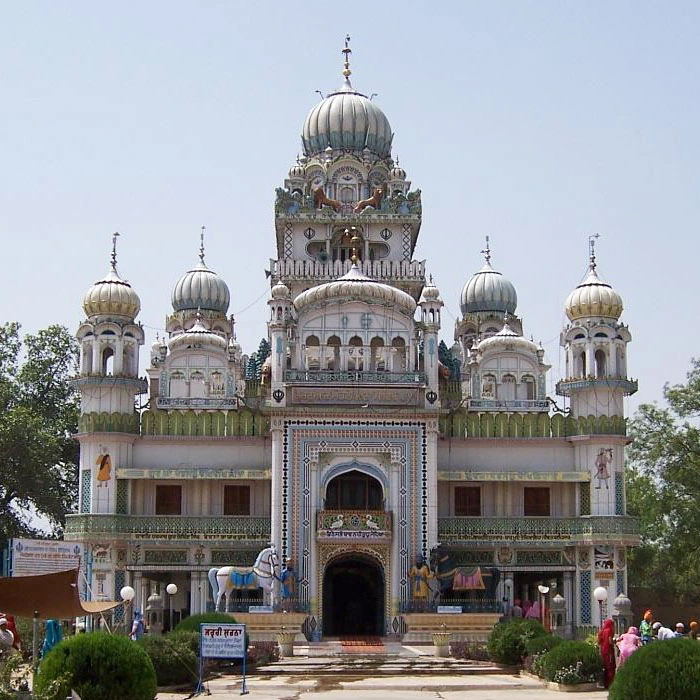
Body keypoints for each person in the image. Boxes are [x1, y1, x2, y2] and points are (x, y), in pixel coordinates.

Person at [597, 618, 616, 688]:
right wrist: (615, 642)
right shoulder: (609, 630)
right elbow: (610, 641)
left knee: (605, 667)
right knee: (610, 667)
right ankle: (610, 683)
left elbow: (599, 642)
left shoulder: (601, 631)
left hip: (603, 651)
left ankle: (605, 683)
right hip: (609, 651)